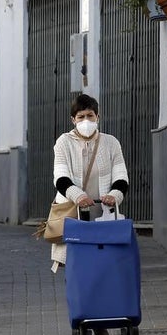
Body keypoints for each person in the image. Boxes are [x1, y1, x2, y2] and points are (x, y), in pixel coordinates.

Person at [49, 93, 129, 273]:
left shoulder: (111, 143)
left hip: (103, 215)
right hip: (73, 215)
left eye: (90, 116)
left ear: (97, 117)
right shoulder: (63, 142)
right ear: (73, 120)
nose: (86, 120)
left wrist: (114, 195)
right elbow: (60, 178)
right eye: (81, 117)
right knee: (76, 266)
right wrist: (78, 196)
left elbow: (121, 176)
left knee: (104, 265)